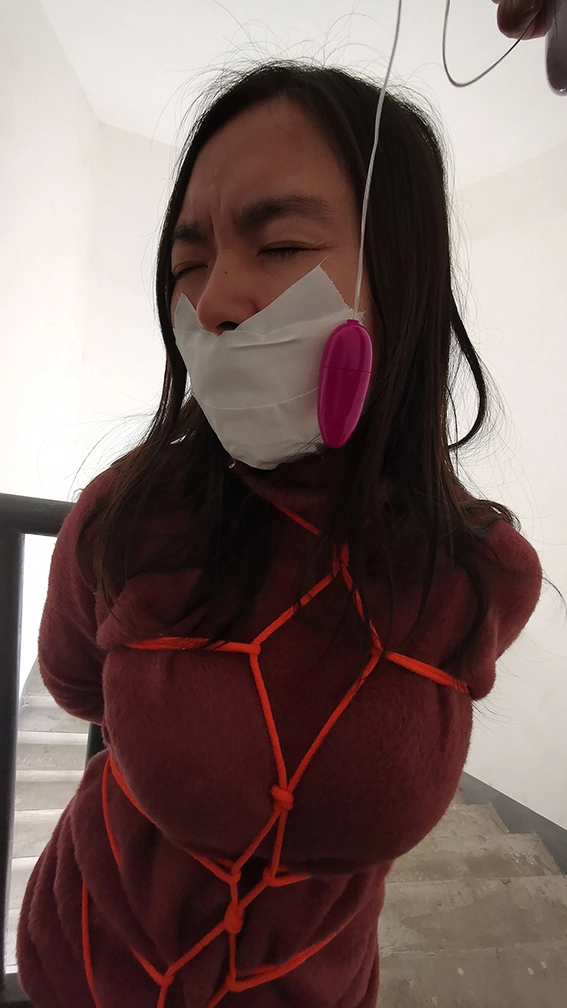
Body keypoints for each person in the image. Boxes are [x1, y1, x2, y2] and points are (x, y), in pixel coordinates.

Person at [17, 63, 543, 1008]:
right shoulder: (123, 519)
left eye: (282, 244)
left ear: (403, 275)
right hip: (83, 961)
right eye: (187, 263)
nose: (214, 298)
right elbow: (76, 684)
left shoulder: (478, 573)